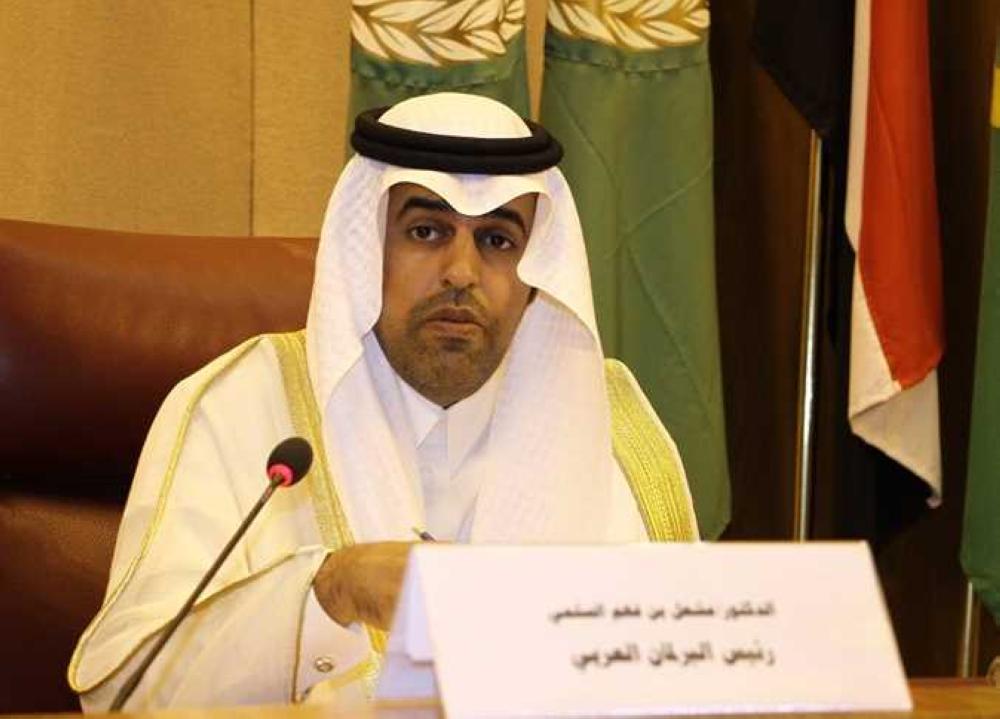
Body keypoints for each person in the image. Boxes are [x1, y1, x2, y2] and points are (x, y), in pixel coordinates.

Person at [68, 92, 698, 711]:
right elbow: (122, 693)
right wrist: (331, 592)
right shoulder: (243, 405)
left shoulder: (613, 430)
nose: (462, 272)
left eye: (498, 240)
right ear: (366, 247)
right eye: (427, 231)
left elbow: (694, 683)